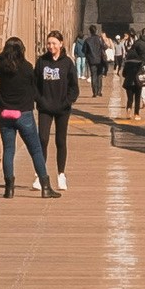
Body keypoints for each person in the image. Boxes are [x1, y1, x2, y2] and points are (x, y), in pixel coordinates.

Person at [0, 31, 47, 197]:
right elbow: (34, 87)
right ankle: (45, 186)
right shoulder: (27, 67)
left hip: (5, 114)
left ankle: (8, 189)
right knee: (35, 150)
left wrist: (5, 53)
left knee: (8, 150)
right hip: (23, 114)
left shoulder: (2, 67)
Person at [32, 30, 81, 189]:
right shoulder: (41, 62)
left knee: (60, 140)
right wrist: (39, 100)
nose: (51, 46)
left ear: (61, 44)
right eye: (48, 43)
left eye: (54, 43)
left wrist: (67, 101)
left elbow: (74, 87)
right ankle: (40, 176)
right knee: (43, 140)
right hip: (45, 107)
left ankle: (61, 174)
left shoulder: (67, 63)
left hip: (62, 108)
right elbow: (34, 84)